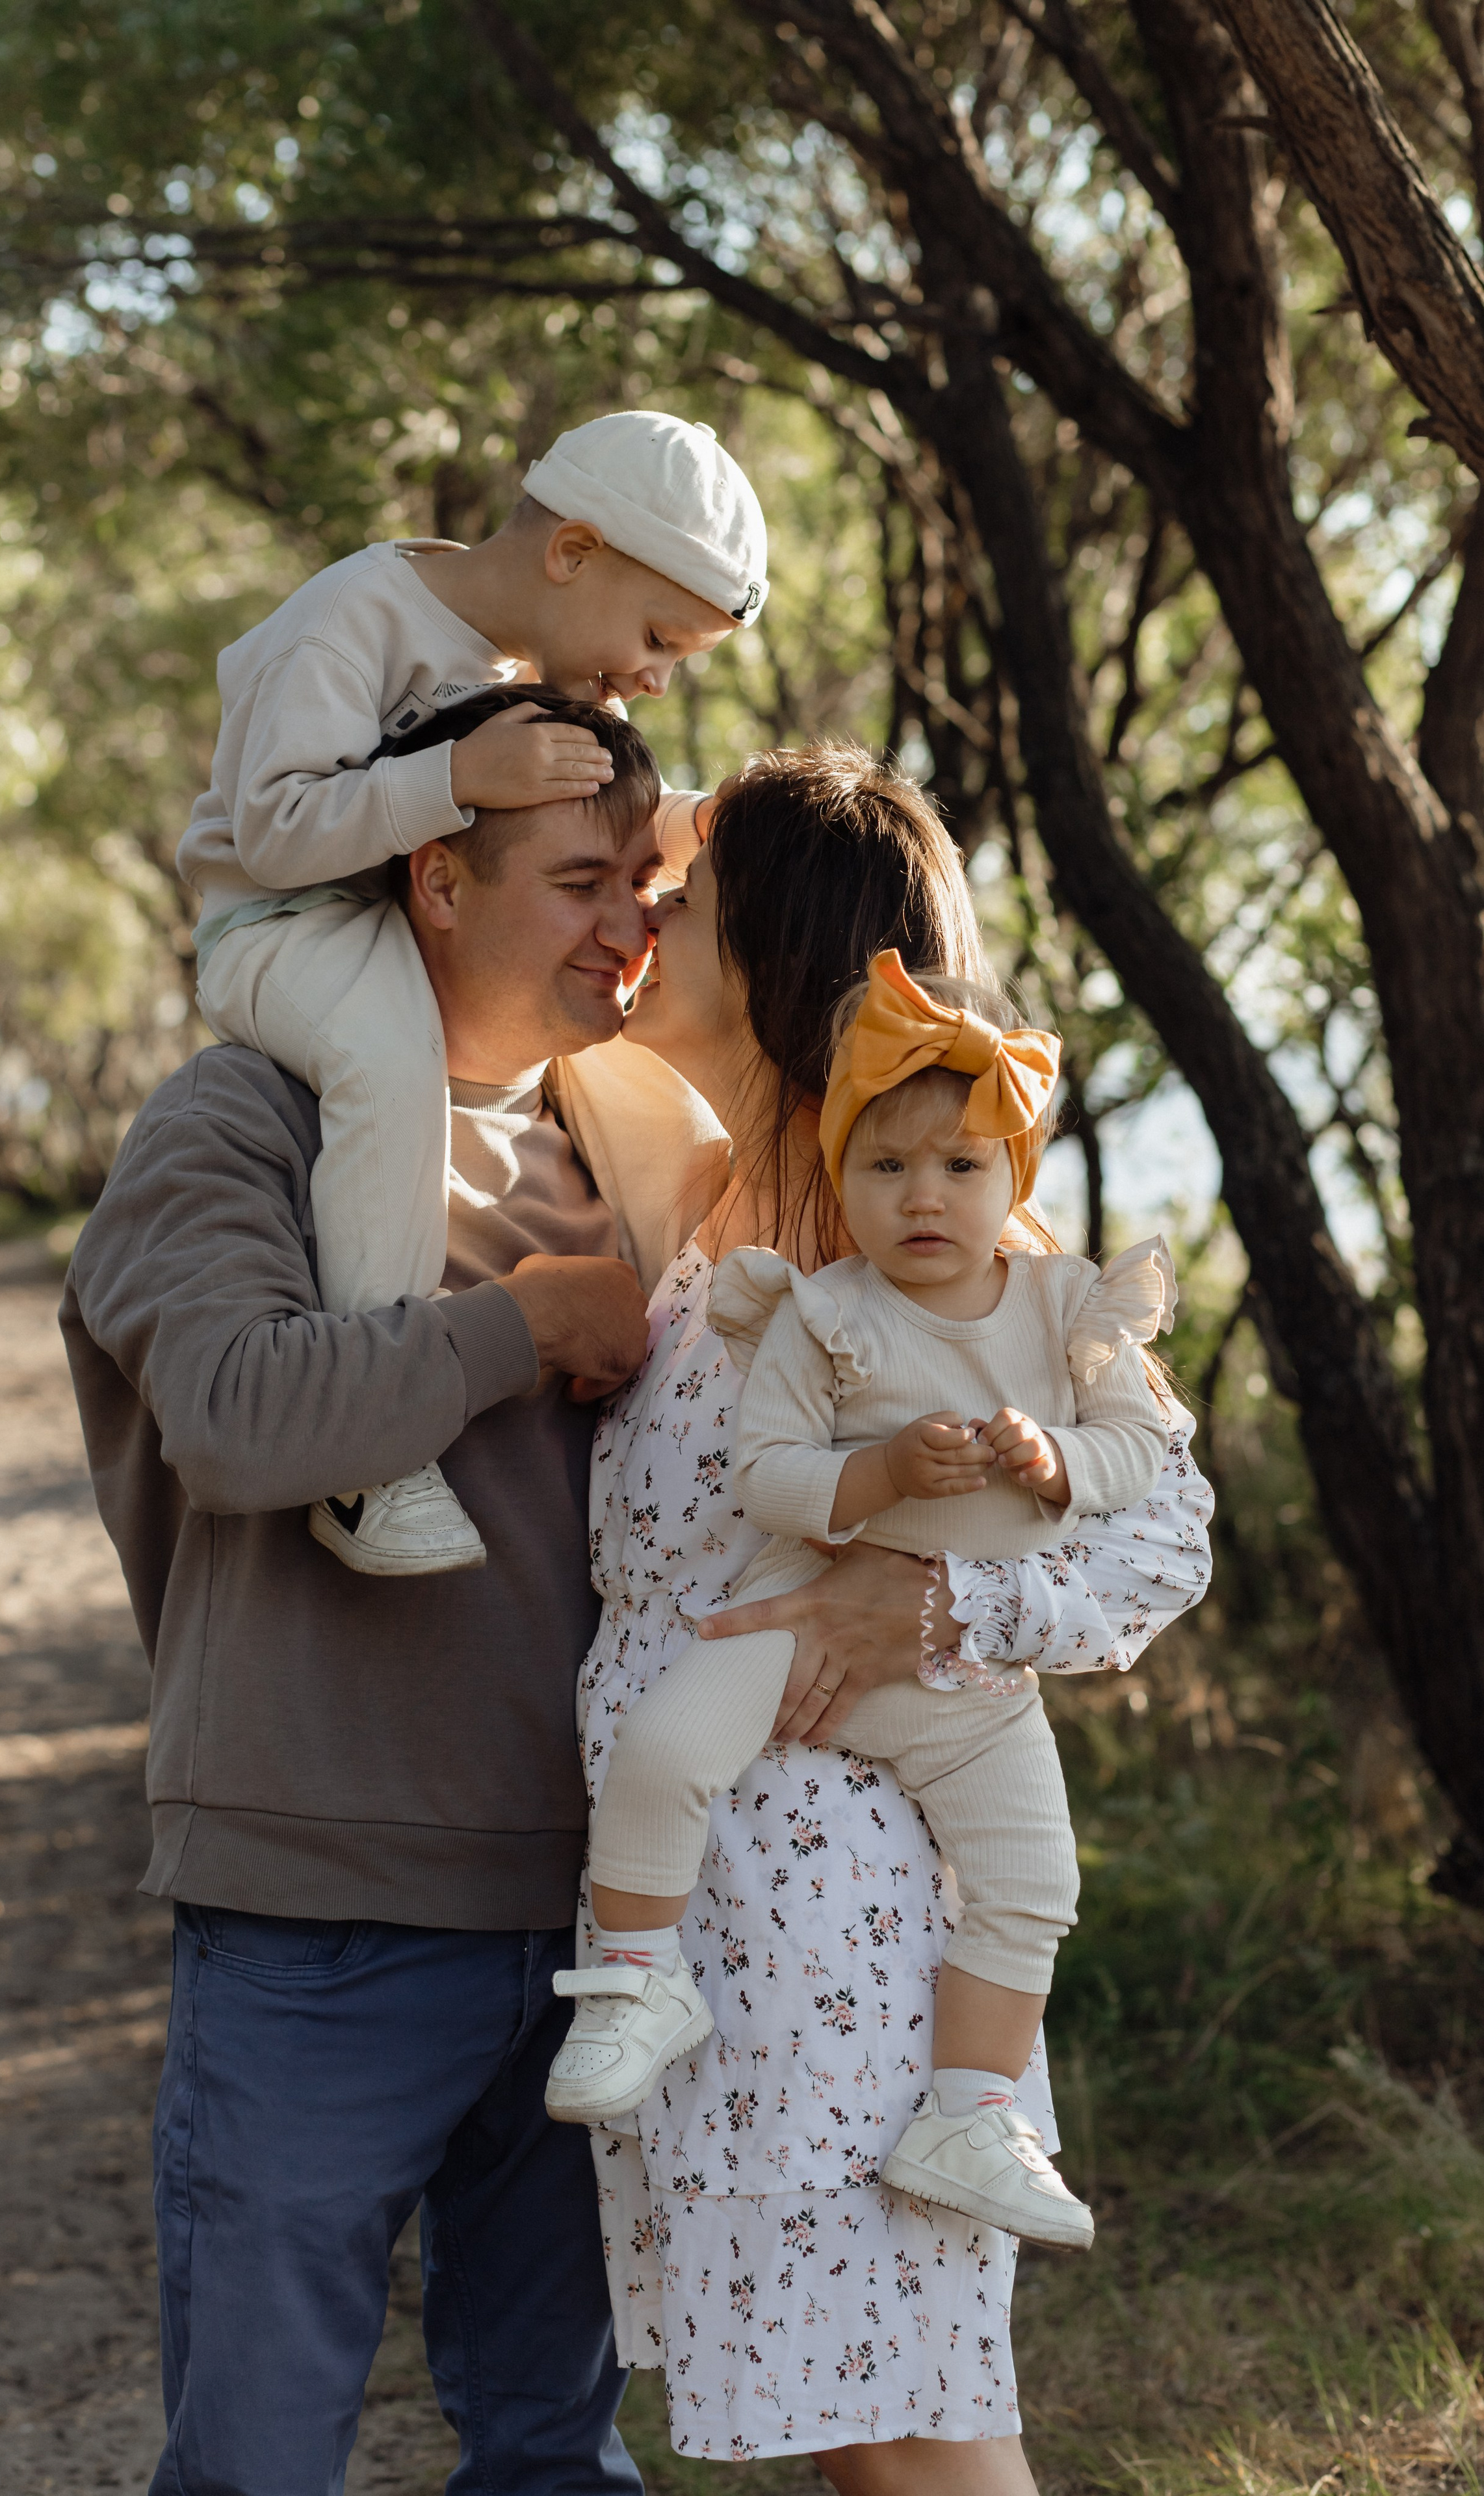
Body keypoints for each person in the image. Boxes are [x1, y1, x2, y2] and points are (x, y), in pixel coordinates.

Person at [62, 694, 712, 2496]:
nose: (626, 923)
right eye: (578, 880)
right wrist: (523, 1326)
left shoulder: (629, 1139)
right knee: (258, 2461)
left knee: (556, 2453)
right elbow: (236, 1416)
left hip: (596, 1924)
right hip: (320, 1914)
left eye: (642, 882)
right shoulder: (240, 1120)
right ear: (436, 877)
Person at [565, 742, 1214, 2478]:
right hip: (706, 1934)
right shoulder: (704, 1212)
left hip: (841, 1942)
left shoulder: (958, 1262)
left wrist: (930, 1605)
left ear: (775, 952)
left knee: (916, 2446)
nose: (644, 913)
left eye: (685, 895)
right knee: (853, 2441)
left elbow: (1165, 1539)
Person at [549, 956, 1178, 2258]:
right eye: (885, 1166)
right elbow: (767, 1476)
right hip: (799, 1620)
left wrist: (1059, 1460)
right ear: (840, 1171)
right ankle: (635, 1979)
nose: (922, 1196)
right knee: (665, 1750)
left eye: (959, 1165)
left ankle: (970, 2113)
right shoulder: (824, 1312)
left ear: (1015, 1172)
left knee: (1032, 1883)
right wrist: (880, 1473)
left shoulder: (1066, 1307)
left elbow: (1138, 1457)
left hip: (967, 1687)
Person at [183, 408, 767, 1577]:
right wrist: (451, 774)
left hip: (398, 922)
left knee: (639, 1091)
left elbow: (572, 822)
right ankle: (370, 1464)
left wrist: (714, 824)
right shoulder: (352, 622)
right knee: (387, 1065)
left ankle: (715, 1347)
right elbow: (274, 828)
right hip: (285, 924)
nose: (655, 679)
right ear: (572, 553)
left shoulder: (536, 663)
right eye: (657, 637)